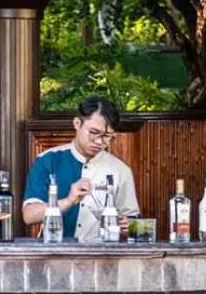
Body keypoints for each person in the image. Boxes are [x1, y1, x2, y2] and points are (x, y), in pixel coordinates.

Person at [23, 96, 139, 243]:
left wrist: (130, 227)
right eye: (94, 132)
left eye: (107, 136)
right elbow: (29, 215)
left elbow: (133, 223)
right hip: (54, 253)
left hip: (102, 256)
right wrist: (68, 201)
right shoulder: (48, 160)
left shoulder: (120, 170)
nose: (99, 141)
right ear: (77, 123)